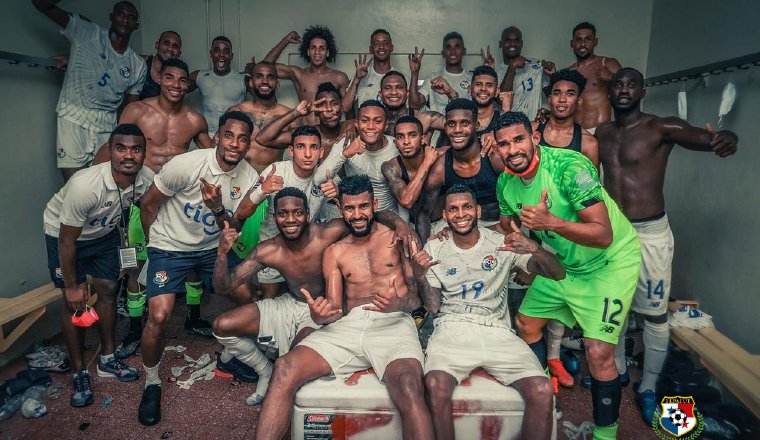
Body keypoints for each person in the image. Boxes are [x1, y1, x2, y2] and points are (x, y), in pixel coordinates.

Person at [596, 67, 738, 423]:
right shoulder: (601, 133)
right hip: (613, 234)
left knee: (655, 313)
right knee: (612, 307)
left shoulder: (661, 127)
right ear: (610, 93)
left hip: (650, 234)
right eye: (618, 85)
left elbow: (703, 138)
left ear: (642, 92)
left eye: (631, 85)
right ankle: (615, 373)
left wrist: (726, 137)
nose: (624, 89)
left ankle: (649, 387)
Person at [493, 111, 641, 440]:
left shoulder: (569, 168)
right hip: (565, 264)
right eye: (503, 144)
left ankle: (605, 436)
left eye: (518, 139)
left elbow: (603, 234)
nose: (512, 149)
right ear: (496, 149)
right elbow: (506, 223)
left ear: (534, 138)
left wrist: (551, 224)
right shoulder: (505, 182)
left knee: (599, 351)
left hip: (609, 263)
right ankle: (548, 393)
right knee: (527, 323)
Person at [255, 175, 433, 440]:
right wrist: (321, 315)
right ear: (340, 209)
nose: (357, 214)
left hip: (393, 322)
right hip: (350, 326)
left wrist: (399, 304)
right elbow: (336, 308)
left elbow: (417, 300)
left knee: (409, 385)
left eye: (363, 206)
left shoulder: (397, 239)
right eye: (350, 208)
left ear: (374, 204)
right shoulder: (335, 252)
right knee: (284, 367)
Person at [214, 186, 413, 405]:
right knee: (222, 325)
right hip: (290, 302)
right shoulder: (268, 250)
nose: (291, 219)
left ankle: (275, 379)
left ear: (308, 215)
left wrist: (400, 224)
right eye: (283, 213)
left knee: (289, 365)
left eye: (297, 213)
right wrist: (222, 254)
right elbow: (224, 286)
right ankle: (264, 370)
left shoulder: (330, 231)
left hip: (321, 309)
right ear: (275, 217)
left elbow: (367, 213)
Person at [414, 184, 564, 440]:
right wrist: (420, 275)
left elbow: (558, 273)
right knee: (435, 385)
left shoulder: (501, 243)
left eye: (467, 207)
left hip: (496, 329)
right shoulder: (435, 248)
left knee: (541, 389)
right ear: (446, 216)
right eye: (453, 209)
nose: (461, 214)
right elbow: (433, 306)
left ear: (478, 210)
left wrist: (534, 249)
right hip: (453, 326)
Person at [136, 111, 258, 426]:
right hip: (169, 247)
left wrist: (217, 208)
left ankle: (236, 356)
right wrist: (155, 249)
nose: (235, 144)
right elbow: (148, 204)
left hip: (210, 249)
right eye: (229, 135)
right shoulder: (186, 165)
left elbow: (232, 228)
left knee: (248, 295)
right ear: (217, 136)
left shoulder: (247, 177)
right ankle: (151, 382)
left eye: (242, 138)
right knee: (159, 315)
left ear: (248, 144)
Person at [43, 123, 152, 407]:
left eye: (136, 149)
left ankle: (107, 358)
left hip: (104, 235)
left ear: (144, 153)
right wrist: (71, 285)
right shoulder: (85, 185)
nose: (129, 155)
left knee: (108, 290)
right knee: (73, 301)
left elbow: (153, 206)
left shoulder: (145, 179)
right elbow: (67, 241)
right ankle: (80, 371)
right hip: (66, 237)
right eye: (121, 148)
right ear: (110, 152)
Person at [32, 0, 147, 182]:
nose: (125, 20)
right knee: (75, 187)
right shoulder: (86, 32)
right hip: (73, 117)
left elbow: (130, 110)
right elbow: (41, 5)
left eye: (131, 17)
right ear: (112, 16)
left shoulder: (138, 65)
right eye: (121, 14)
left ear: (136, 25)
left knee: (103, 187)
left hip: (107, 126)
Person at [419, 99, 505, 241]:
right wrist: (424, 249)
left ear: (476, 125)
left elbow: (519, 202)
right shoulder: (441, 168)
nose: (457, 130)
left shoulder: (494, 157)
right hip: (460, 227)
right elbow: (423, 214)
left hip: (499, 225)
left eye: (464, 123)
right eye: (451, 124)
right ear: (445, 127)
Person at [314, 100, 404, 217]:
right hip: (357, 216)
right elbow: (318, 179)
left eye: (377, 121)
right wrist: (345, 154)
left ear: (385, 125)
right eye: (364, 121)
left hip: (388, 216)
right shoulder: (346, 143)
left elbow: (404, 193)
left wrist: (403, 224)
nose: (370, 126)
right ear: (356, 124)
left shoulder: (396, 146)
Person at [263, 27, 350, 125]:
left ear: (327, 52)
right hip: (305, 134)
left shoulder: (339, 77)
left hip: (331, 134)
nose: (317, 52)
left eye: (322, 48)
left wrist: (350, 126)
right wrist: (285, 41)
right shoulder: (298, 74)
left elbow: (348, 109)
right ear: (308, 52)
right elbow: (264, 67)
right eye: (313, 48)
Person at [226, 61, 292, 174]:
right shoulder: (236, 111)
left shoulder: (289, 116)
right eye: (259, 77)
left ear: (277, 83)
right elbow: (216, 148)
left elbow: (302, 149)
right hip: (239, 179)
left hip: (273, 180)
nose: (265, 81)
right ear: (251, 82)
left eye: (270, 77)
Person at [382, 116, 444, 226]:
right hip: (412, 225)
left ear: (422, 139)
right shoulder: (390, 167)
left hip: (446, 223)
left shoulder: (441, 155)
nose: (406, 142)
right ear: (395, 143)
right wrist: (427, 163)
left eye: (412, 135)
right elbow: (406, 201)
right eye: (400, 137)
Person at [484, 26, 555, 121]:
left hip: (533, 126)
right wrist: (513, 65)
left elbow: (552, 96)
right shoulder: (495, 72)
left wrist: (553, 75)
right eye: (508, 40)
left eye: (516, 40)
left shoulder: (536, 66)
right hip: (507, 128)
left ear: (521, 43)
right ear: (501, 44)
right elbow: (501, 100)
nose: (512, 43)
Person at [568, 22, 622, 131]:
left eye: (588, 39)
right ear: (572, 43)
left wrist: (612, 78)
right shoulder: (569, 71)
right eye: (578, 39)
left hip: (600, 130)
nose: (583, 44)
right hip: (575, 132)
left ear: (595, 42)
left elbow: (629, 91)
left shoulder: (607, 63)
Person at [190, 36, 248, 135]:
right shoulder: (200, 76)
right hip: (206, 137)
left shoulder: (243, 79)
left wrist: (254, 69)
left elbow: (264, 80)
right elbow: (174, 86)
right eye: (217, 50)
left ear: (231, 56)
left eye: (226, 51)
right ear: (211, 54)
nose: (221, 54)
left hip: (233, 137)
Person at [342, 29, 404, 114]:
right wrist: (357, 79)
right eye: (376, 44)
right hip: (366, 126)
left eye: (385, 43)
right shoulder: (359, 76)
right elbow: (345, 107)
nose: (381, 47)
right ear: (370, 49)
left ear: (391, 48)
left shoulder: (400, 78)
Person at [410, 32, 470, 115]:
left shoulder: (472, 79)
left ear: (464, 51)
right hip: (438, 127)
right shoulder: (433, 78)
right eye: (448, 47)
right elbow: (414, 105)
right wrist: (414, 73)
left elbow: (475, 111)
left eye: (457, 46)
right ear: (443, 53)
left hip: (463, 127)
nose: (452, 51)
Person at [378, 71, 445, 139]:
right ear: (380, 94)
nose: (393, 92)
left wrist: (451, 93)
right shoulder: (373, 123)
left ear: (407, 93)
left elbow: (454, 123)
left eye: (399, 87)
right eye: (387, 88)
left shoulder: (424, 119)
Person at [139, 30, 182, 100]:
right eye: (166, 43)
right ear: (157, 45)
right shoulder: (141, 62)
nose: (170, 49)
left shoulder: (178, 76)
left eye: (175, 46)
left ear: (179, 54)